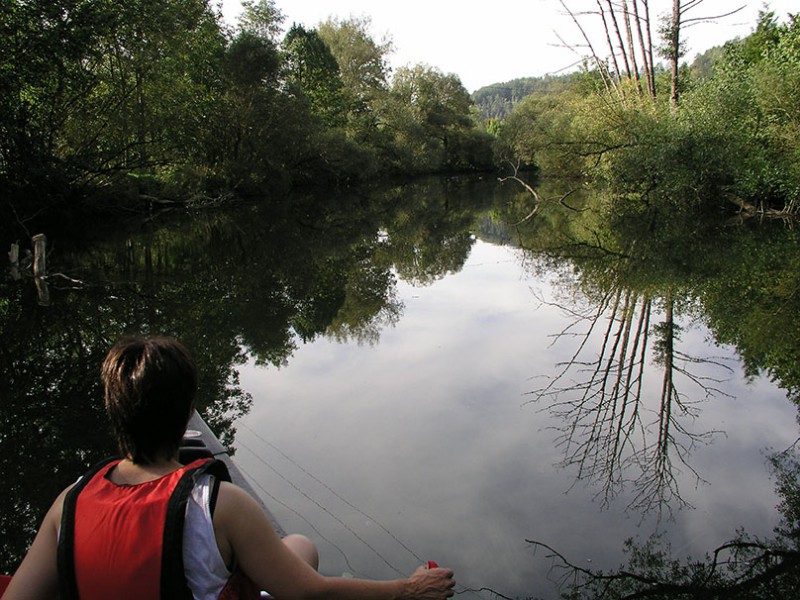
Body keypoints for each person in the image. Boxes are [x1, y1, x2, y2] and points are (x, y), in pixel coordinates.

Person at [4, 336, 456, 600]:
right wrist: (406, 589)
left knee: (292, 547)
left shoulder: (70, 503)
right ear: (186, 417)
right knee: (300, 547)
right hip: (237, 545)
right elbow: (310, 593)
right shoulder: (220, 505)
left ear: (115, 414)